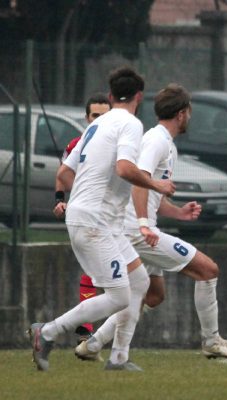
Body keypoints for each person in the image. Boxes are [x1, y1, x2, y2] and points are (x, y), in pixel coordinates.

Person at [74, 83, 227, 362]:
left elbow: (151, 191)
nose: (190, 116)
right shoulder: (157, 140)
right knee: (208, 269)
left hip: (137, 226)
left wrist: (178, 212)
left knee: (153, 295)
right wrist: (144, 224)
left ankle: (94, 344)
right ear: (181, 114)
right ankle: (212, 341)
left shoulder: (163, 141)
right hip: (135, 231)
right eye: (189, 111)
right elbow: (138, 183)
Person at [28, 66, 175, 372]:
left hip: (102, 221)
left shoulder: (96, 126)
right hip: (95, 221)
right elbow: (124, 168)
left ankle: (119, 358)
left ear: (110, 96)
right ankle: (49, 332)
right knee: (120, 295)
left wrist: (81, 199)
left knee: (139, 281)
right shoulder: (131, 124)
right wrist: (157, 184)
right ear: (139, 97)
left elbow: (64, 173)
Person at [53, 93, 111, 349]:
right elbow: (62, 175)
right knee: (95, 273)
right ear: (87, 118)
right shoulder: (78, 144)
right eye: (95, 116)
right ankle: (86, 333)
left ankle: (101, 336)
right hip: (89, 217)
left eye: (105, 115)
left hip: (113, 217)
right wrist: (60, 200)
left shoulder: (117, 143)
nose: (100, 120)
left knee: (122, 280)